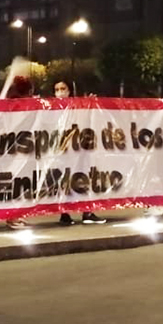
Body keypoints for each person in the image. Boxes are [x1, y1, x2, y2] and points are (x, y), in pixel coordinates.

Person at [49, 79, 107, 226]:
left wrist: (90, 104)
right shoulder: (50, 109)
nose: (60, 92)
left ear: (70, 91)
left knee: (83, 179)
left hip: (79, 150)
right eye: (57, 89)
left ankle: (87, 211)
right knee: (64, 182)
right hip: (62, 153)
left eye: (63, 88)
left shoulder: (77, 106)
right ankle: (65, 214)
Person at [4, 77, 35, 231]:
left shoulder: (10, 104)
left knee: (19, 184)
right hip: (19, 150)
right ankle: (13, 216)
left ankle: (17, 214)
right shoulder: (24, 105)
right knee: (18, 184)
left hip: (19, 149)